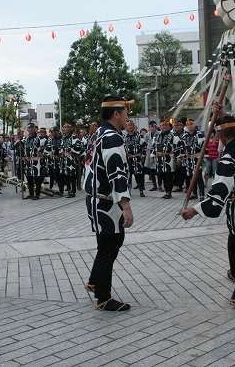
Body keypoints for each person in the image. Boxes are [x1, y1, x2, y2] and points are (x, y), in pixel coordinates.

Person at [181, 115, 235, 309]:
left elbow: (218, 193)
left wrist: (194, 209)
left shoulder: (228, 157)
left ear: (219, 134)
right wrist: (219, 114)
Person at [83, 97, 133, 311]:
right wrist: (126, 205)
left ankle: (95, 282)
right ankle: (104, 297)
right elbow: (116, 172)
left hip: (95, 199)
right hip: (106, 201)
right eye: (125, 112)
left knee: (106, 245)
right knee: (110, 246)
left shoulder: (97, 134)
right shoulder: (112, 137)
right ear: (116, 114)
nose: (127, 117)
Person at [21, 123, 47, 200]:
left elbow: (43, 148)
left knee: (37, 178)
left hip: (37, 161)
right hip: (28, 161)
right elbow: (24, 148)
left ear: (34, 129)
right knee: (29, 178)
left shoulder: (39, 138)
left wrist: (40, 154)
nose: (29, 130)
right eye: (28, 128)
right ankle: (31, 193)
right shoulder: (26, 139)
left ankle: (37, 194)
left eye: (30, 128)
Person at [182, 118, 206, 200]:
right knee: (191, 178)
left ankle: (202, 194)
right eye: (187, 124)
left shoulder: (199, 134)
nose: (189, 126)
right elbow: (183, 147)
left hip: (197, 159)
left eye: (191, 124)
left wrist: (197, 155)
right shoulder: (185, 135)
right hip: (188, 160)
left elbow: (204, 149)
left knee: (198, 177)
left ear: (194, 125)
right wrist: (184, 154)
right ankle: (194, 193)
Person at [155, 120, 179, 199]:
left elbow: (177, 147)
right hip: (160, 160)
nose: (164, 126)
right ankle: (166, 191)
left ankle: (169, 192)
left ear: (169, 126)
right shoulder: (158, 135)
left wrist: (176, 156)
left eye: (166, 125)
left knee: (168, 176)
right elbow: (154, 146)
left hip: (169, 159)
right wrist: (155, 154)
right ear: (160, 127)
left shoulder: (173, 135)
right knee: (161, 176)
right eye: (162, 125)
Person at [124, 120, 147, 197]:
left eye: (131, 125)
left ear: (133, 126)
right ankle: (129, 191)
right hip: (128, 160)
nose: (129, 127)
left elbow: (144, 145)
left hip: (137, 159)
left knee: (138, 175)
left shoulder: (139, 136)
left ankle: (141, 191)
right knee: (128, 176)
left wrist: (142, 155)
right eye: (128, 125)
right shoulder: (124, 137)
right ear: (126, 127)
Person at [61, 123, 83, 198]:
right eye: (64, 127)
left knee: (72, 176)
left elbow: (78, 148)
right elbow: (61, 148)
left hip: (72, 161)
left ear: (70, 129)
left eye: (67, 127)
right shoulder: (63, 138)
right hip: (64, 160)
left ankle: (73, 192)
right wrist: (62, 152)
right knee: (66, 176)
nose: (65, 128)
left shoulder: (74, 138)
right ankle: (69, 190)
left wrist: (70, 151)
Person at [145, 121, 161, 191]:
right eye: (151, 126)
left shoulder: (159, 133)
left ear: (156, 126)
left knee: (158, 169)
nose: (152, 128)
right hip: (149, 152)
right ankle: (154, 185)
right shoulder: (147, 134)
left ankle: (160, 185)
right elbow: (146, 142)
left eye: (154, 126)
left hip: (157, 152)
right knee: (151, 170)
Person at [172, 119, 187, 192]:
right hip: (175, 155)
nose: (177, 127)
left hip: (185, 156)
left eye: (178, 125)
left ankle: (188, 187)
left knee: (185, 171)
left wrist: (182, 156)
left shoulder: (186, 134)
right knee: (177, 171)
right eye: (175, 125)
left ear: (182, 126)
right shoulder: (172, 134)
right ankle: (179, 186)